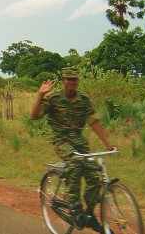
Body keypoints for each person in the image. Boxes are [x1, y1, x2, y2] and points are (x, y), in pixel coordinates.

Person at [30, 67, 115, 233]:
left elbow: (94, 121)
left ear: (78, 81)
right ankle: (74, 204)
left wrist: (107, 144)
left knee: (94, 173)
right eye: (68, 79)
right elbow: (34, 116)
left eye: (74, 79)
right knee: (76, 162)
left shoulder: (84, 99)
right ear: (63, 81)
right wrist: (40, 95)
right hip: (61, 140)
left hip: (79, 141)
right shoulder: (54, 98)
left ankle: (90, 215)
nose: (71, 82)